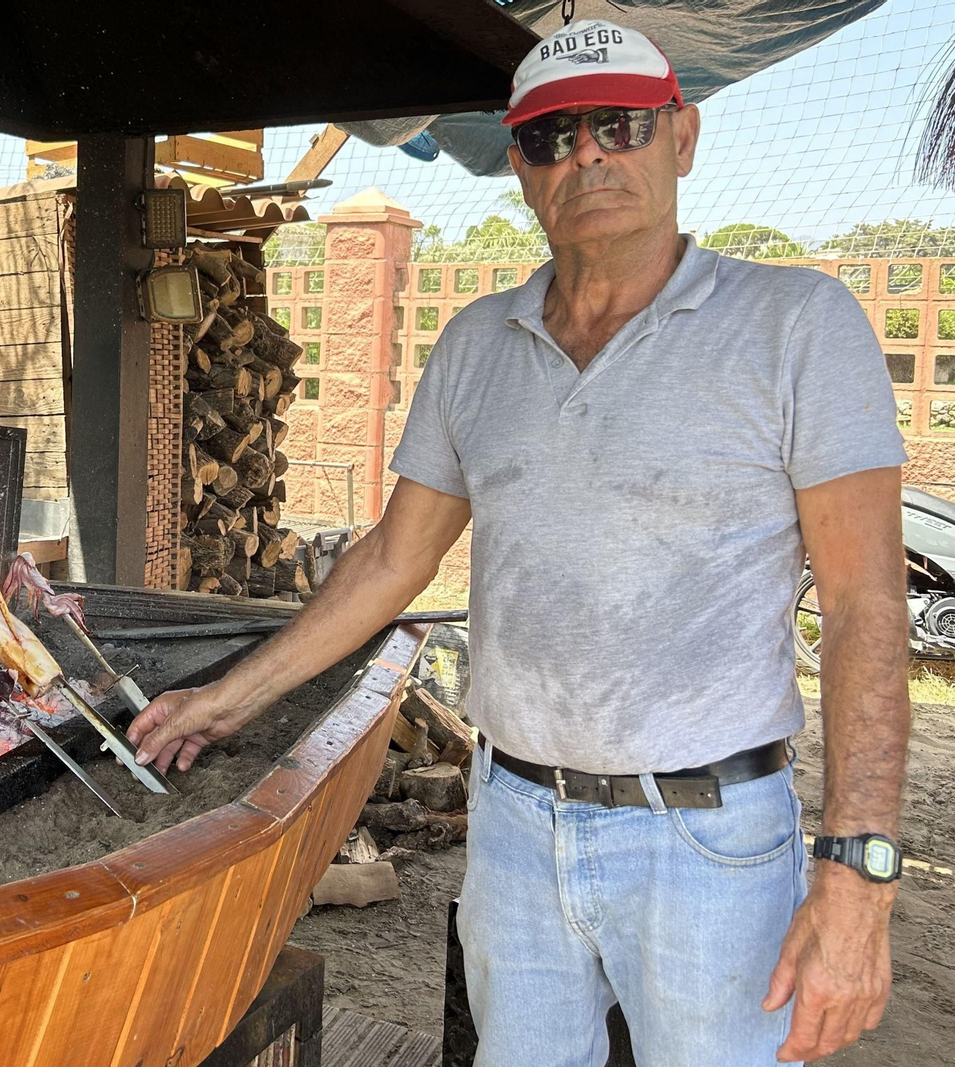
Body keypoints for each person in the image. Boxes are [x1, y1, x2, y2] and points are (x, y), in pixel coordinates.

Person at [129, 19, 909, 1067]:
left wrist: (857, 869)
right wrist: (229, 698)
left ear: (680, 136)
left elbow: (867, 603)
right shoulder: (474, 346)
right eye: (549, 136)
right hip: (512, 824)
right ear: (522, 168)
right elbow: (389, 561)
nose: (585, 153)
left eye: (617, 123)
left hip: (709, 836)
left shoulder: (795, 324)